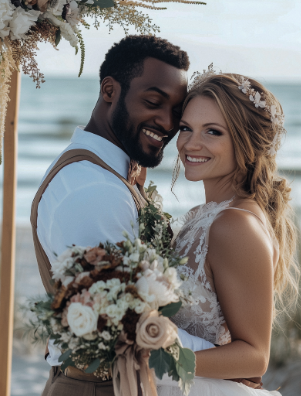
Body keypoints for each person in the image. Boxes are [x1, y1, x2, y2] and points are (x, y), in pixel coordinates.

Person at [31, 34, 190, 396]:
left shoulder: (105, 174)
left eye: (177, 113)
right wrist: (230, 359)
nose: (167, 123)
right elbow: (124, 328)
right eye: (153, 102)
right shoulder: (94, 189)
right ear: (109, 91)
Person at [157, 70, 299, 395]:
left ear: (244, 140)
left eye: (213, 132)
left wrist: (157, 359)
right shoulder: (204, 215)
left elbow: (254, 357)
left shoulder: (235, 225)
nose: (191, 143)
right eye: (185, 128)